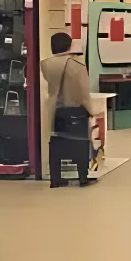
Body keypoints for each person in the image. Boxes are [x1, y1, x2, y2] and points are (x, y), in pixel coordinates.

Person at [41, 32, 97, 188]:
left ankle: (55, 179)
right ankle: (82, 177)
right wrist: (91, 109)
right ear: (69, 45)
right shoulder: (77, 65)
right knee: (80, 143)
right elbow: (83, 91)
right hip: (75, 108)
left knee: (56, 143)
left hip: (55, 109)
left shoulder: (46, 64)